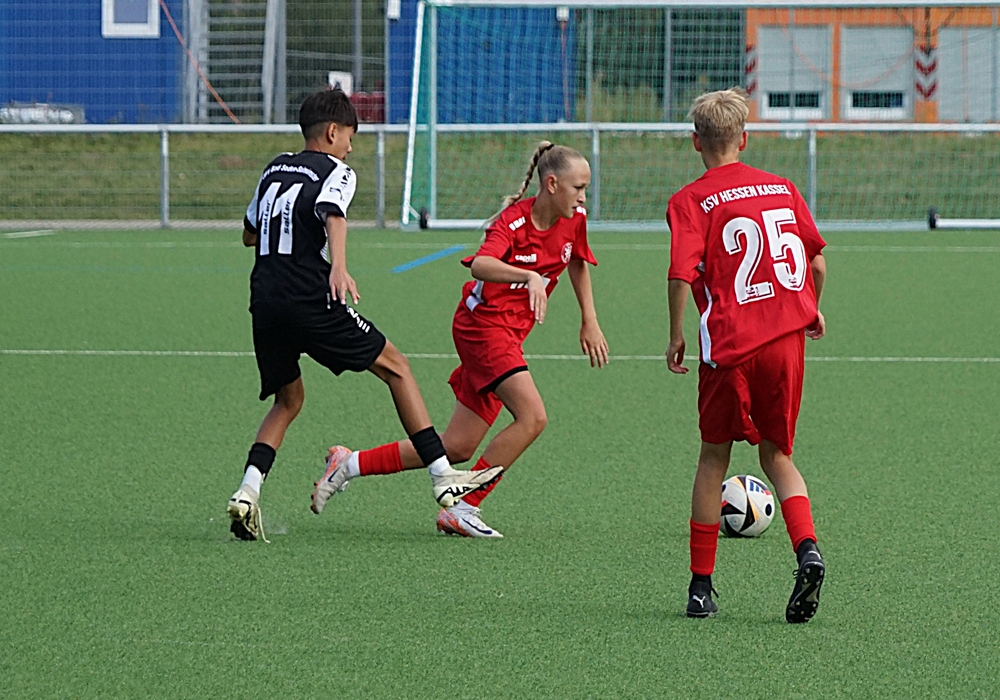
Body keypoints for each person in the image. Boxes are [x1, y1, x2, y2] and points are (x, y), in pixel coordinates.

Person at [227, 89, 502, 542]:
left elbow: (248, 235)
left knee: (287, 401)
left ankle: (247, 491)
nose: (351, 148)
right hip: (310, 296)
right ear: (333, 132)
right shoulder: (337, 171)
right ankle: (442, 477)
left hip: (264, 300)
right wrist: (338, 266)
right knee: (397, 367)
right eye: (350, 137)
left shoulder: (274, 167)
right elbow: (333, 214)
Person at [311, 142, 609, 539]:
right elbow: (481, 264)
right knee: (533, 417)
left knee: (457, 446)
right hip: (482, 329)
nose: (584, 196)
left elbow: (577, 261)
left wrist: (589, 319)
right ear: (552, 184)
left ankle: (348, 464)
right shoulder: (512, 223)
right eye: (578, 187)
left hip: (508, 335)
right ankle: (465, 507)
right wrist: (528, 276)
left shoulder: (575, 218)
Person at [665, 88, 828, 622]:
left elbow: (680, 274)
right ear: (745, 138)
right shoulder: (782, 187)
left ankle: (700, 588)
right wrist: (811, 307)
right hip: (786, 340)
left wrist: (676, 334)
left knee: (713, 458)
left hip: (730, 344)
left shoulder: (691, 200)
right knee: (778, 456)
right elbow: (816, 262)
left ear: (696, 142)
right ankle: (807, 550)